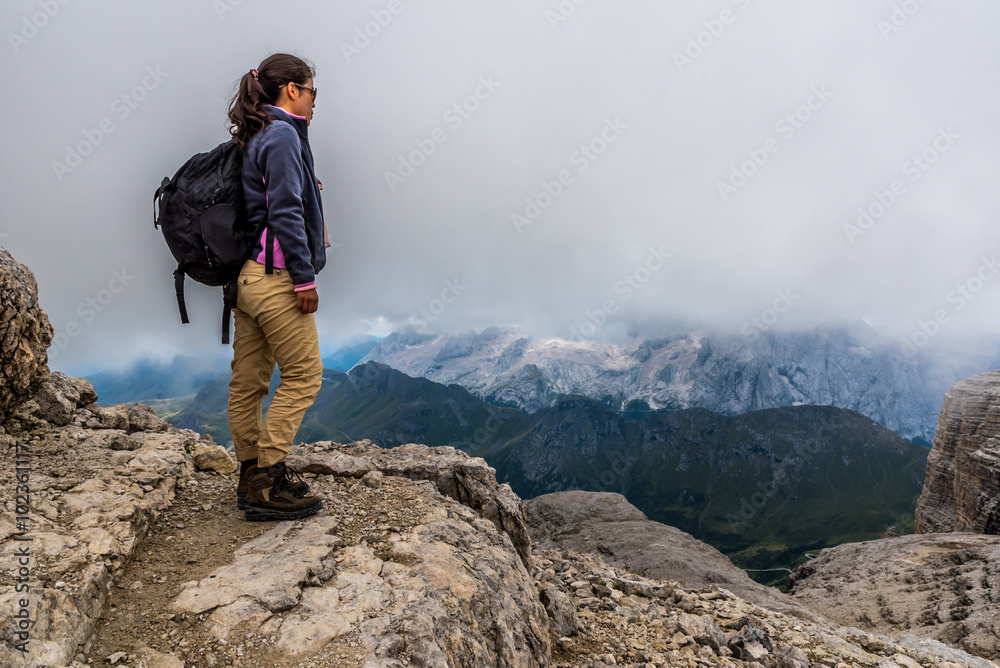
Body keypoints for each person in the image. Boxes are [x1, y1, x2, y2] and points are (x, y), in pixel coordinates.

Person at [226, 53, 329, 521]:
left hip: (246, 278)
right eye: (312, 92)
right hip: (276, 279)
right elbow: (284, 210)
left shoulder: (257, 129)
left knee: (248, 382)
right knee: (305, 376)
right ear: (292, 89)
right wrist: (303, 279)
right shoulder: (284, 133)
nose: (314, 102)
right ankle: (269, 481)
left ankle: (250, 473)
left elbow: (265, 198)